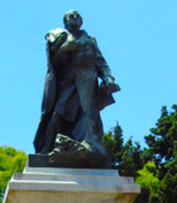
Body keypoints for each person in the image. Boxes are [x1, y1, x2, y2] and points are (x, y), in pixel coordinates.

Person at [34, 10, 120, 165]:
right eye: (70, 16)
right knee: (57, 114)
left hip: (87, 83)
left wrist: (108, 77)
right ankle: (46, 148)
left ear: (82, 21)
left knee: (89, 117)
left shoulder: (90, 39)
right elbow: (56, 63)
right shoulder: (60, 37)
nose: (74, 18)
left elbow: (101, 62)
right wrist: (64, 49)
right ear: (65, 22)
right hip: (67, 84)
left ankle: (90, 150)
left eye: (77, 16)